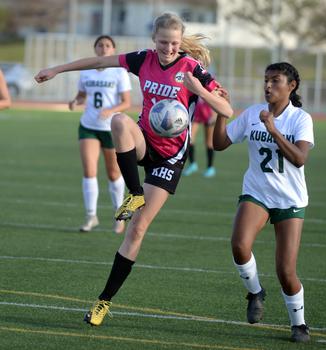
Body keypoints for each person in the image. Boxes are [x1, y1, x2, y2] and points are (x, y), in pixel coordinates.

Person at [35, 12, 233, 327]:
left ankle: (102, 302)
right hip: (144, 141)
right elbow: (98, 62)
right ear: (153, 40)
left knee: (137, 230)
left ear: (180, 42)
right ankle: (135, 192)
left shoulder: (192, 69)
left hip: (170, 159)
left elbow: (227, 109)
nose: (169, 48)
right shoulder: (142, 60)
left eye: (174, 43)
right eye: (163, 42)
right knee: (118, 121)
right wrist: (57, 70)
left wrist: (201, 90)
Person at [213, 62, 314, 343]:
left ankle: (299, 324)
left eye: (275, 81)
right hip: (257, 192)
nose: (268, 86)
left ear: (291, 86)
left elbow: (300, 158)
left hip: (290, 199)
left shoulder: (300, 119)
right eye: (266, 80)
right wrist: (223, 113)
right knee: (239, 245)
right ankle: (255, 292)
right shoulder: (252, 114)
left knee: (285, 271)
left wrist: (273, 129)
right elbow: (219, 144)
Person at [68, 35, 132, 234]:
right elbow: (82, 95)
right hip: (88, 126)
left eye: (107, 45)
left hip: (112, 128)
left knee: (113, 172)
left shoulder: (119, 72)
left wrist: (110, 110)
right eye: (100, 45)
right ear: (95, 49)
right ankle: (90, 216)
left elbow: (126, 102)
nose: (104, 48)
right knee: (89, 171)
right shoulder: (86, 71)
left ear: (113, 49)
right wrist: (75, 101)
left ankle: (119, 215)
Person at [183, 96, 217, 177]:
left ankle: (210, 168)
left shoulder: (209, 84)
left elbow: (216, 97)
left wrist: (214, 115)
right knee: (189, 138)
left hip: (208, 111)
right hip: (197, 110)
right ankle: (192, 164)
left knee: (209, 142)